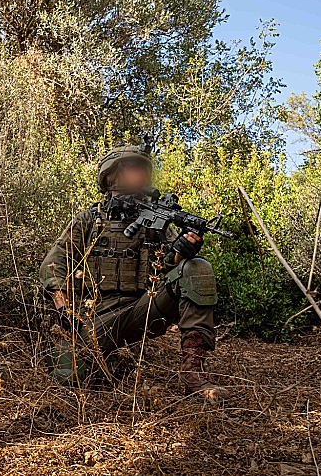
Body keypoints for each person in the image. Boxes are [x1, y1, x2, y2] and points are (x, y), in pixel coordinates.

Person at [39, 142, 230, 402]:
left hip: (143, 309)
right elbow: (53, 266)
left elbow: (168, 267)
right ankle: (112, 362)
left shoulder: (157, 219)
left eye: (145, 169)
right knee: (66, 377)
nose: (143, 174)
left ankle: (193, 376)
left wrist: (180, 251)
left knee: (197, 268)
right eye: (134, 168)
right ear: (112, 174)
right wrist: (63, 310)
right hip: (96, 316)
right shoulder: (88, 220)